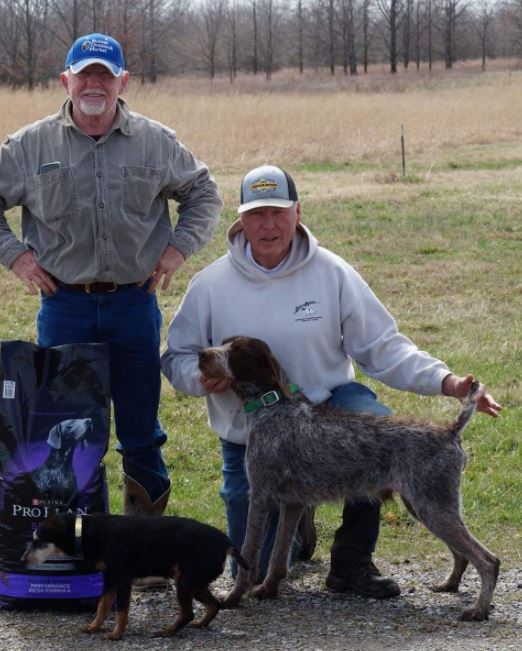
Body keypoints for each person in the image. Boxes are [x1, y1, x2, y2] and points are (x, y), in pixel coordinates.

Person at [160, 164, 501, 598]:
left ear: (298, 212)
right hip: (251, 433)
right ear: (240, 219)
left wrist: (448, 381)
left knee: (376, 428)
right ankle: (298, 523)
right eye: (257, 214)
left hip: (332, 411)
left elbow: (384, 346)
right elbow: (175, 356)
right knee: (255, 563)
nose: (268, 225)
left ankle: (351, 563)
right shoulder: (210, 285)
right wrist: (197, 377)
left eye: (278, 213)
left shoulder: (331, 273)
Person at [0, 33, 223, 520]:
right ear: (67, 81)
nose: (94, 85)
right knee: (62, 427)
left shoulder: (156, 142)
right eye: (85, 75)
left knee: (141, 431)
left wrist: (176, 249)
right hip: (65, 307)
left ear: (123, 82)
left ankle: (142, 545)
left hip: (133, 304)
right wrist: (15, 256)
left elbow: (203, 192)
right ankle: (70, 549)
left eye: (105, 75)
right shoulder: (29, 145)